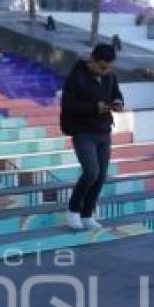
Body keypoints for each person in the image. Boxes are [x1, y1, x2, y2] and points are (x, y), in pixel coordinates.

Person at [59, 44, 123, 231]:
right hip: (83, 131)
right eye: (102, 66)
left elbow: (116, 94)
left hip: (103, 130)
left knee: (101, 175)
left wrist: (118, 102)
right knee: (91, 172)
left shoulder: (110, 76)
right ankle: (73, 210)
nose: (106, 71)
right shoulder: (76, 78)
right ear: (93, 61)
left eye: (109, 67)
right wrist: (95, 108)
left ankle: (87, 214)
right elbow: (69, 107)